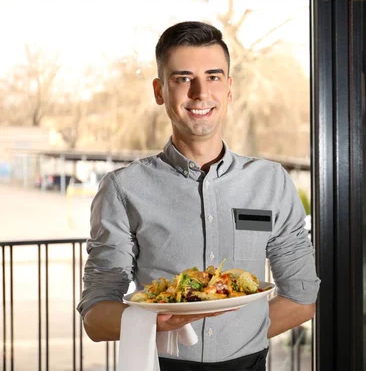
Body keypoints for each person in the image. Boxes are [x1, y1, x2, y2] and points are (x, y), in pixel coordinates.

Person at [77, 21, 320, 371]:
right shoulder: (122, 188)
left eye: (213, 76)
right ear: (160, 90)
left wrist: (239, 337)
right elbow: (96, 317)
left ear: (230, 88)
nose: (200, 93)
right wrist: (152, 324)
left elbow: (301, 299)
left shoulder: (272, 183)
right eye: (182, 78)